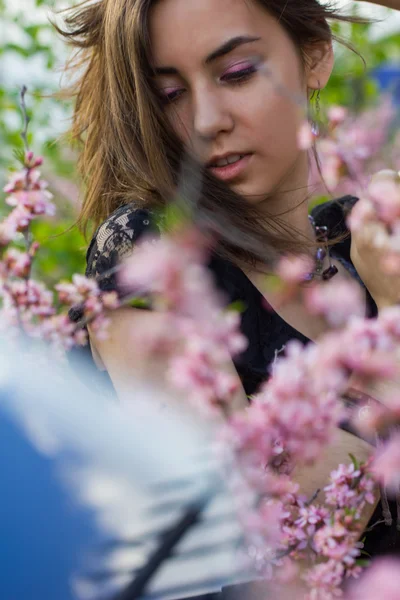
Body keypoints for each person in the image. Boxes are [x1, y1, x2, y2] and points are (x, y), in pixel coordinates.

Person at [59, 0, 400, 569]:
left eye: (237, 73)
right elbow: (276, 556)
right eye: (169, 94)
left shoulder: (366, 245)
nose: (204, 120)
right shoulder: (152, 261)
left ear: (315, 56)